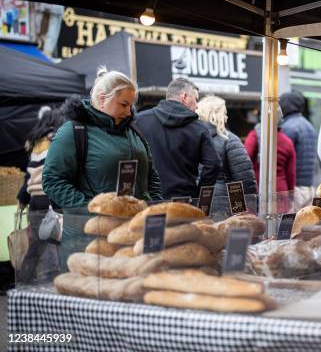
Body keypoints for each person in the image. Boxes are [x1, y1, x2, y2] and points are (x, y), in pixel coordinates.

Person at [43, 68, 163, 208]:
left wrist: (155, 208)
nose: (129, 112)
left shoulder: (134, 130)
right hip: (92, 227)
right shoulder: (73, 131)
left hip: (137, 225)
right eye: (124, 104)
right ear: (102, 99)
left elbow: (151, 176)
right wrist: (93, 209)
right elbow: (53, 181)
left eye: (131, 106)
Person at [133, 78, 221, 199]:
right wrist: (199, 195)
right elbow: (214, 164)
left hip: (149, 202)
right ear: (184, 96)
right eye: (196, 100)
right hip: (185, 203)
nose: (197, 106)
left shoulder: (139, 120)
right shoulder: (200, 128)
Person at [16, 106, 65, 283]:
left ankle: (24, 279)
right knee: (55, 242)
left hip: (35, 201)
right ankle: (51, 281)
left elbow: (29, 175)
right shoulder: (57, 139)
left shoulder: (35, 143)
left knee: (36, 244)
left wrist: (22, 200)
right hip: (50, 199)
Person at [196, 95, 257, 204]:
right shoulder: (230, 139)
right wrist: (252, 204)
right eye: (224, 113)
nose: (226, 117)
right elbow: (244, 178)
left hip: (194, 200)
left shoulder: (188, 138)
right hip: (223, 203)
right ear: (216, 115)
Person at [279, 91, 317, 206]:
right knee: (306, 223)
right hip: (309, 187)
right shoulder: (309, 125)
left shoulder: (288, 127)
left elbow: (281, 159)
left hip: (295, 189)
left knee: (291, 223)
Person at [244, 122, 296, 193]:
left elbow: (245, 160)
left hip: (259, 188)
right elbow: (291, 173)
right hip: (280, 190)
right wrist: (291, 192)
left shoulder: (254, 136)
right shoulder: (287, 141)